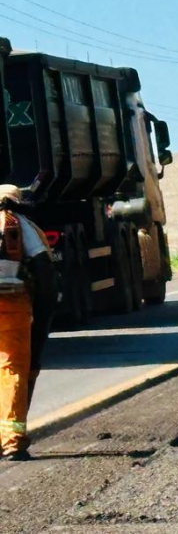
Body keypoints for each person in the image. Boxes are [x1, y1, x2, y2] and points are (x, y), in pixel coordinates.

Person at [0, 185, 52, 461]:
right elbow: (44, 269)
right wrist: (45, 311)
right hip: (10, 305)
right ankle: (12, 441)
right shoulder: (18, 224)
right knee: (12, 370)